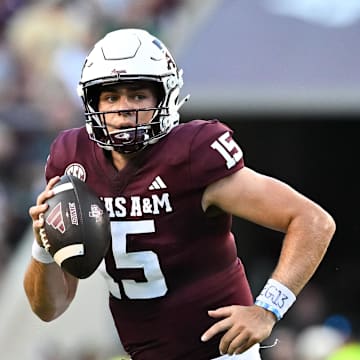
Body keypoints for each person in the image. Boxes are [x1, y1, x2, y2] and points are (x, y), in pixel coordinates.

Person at [23, 28, 336, 360]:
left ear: (165, 97)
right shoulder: (73, 160)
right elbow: (49, 309)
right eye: (111, 97)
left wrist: (268, 309)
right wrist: (43, 245)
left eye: (138, 95)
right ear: (92, 102)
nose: (123, 109)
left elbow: (313, 221)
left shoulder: (191, 154)